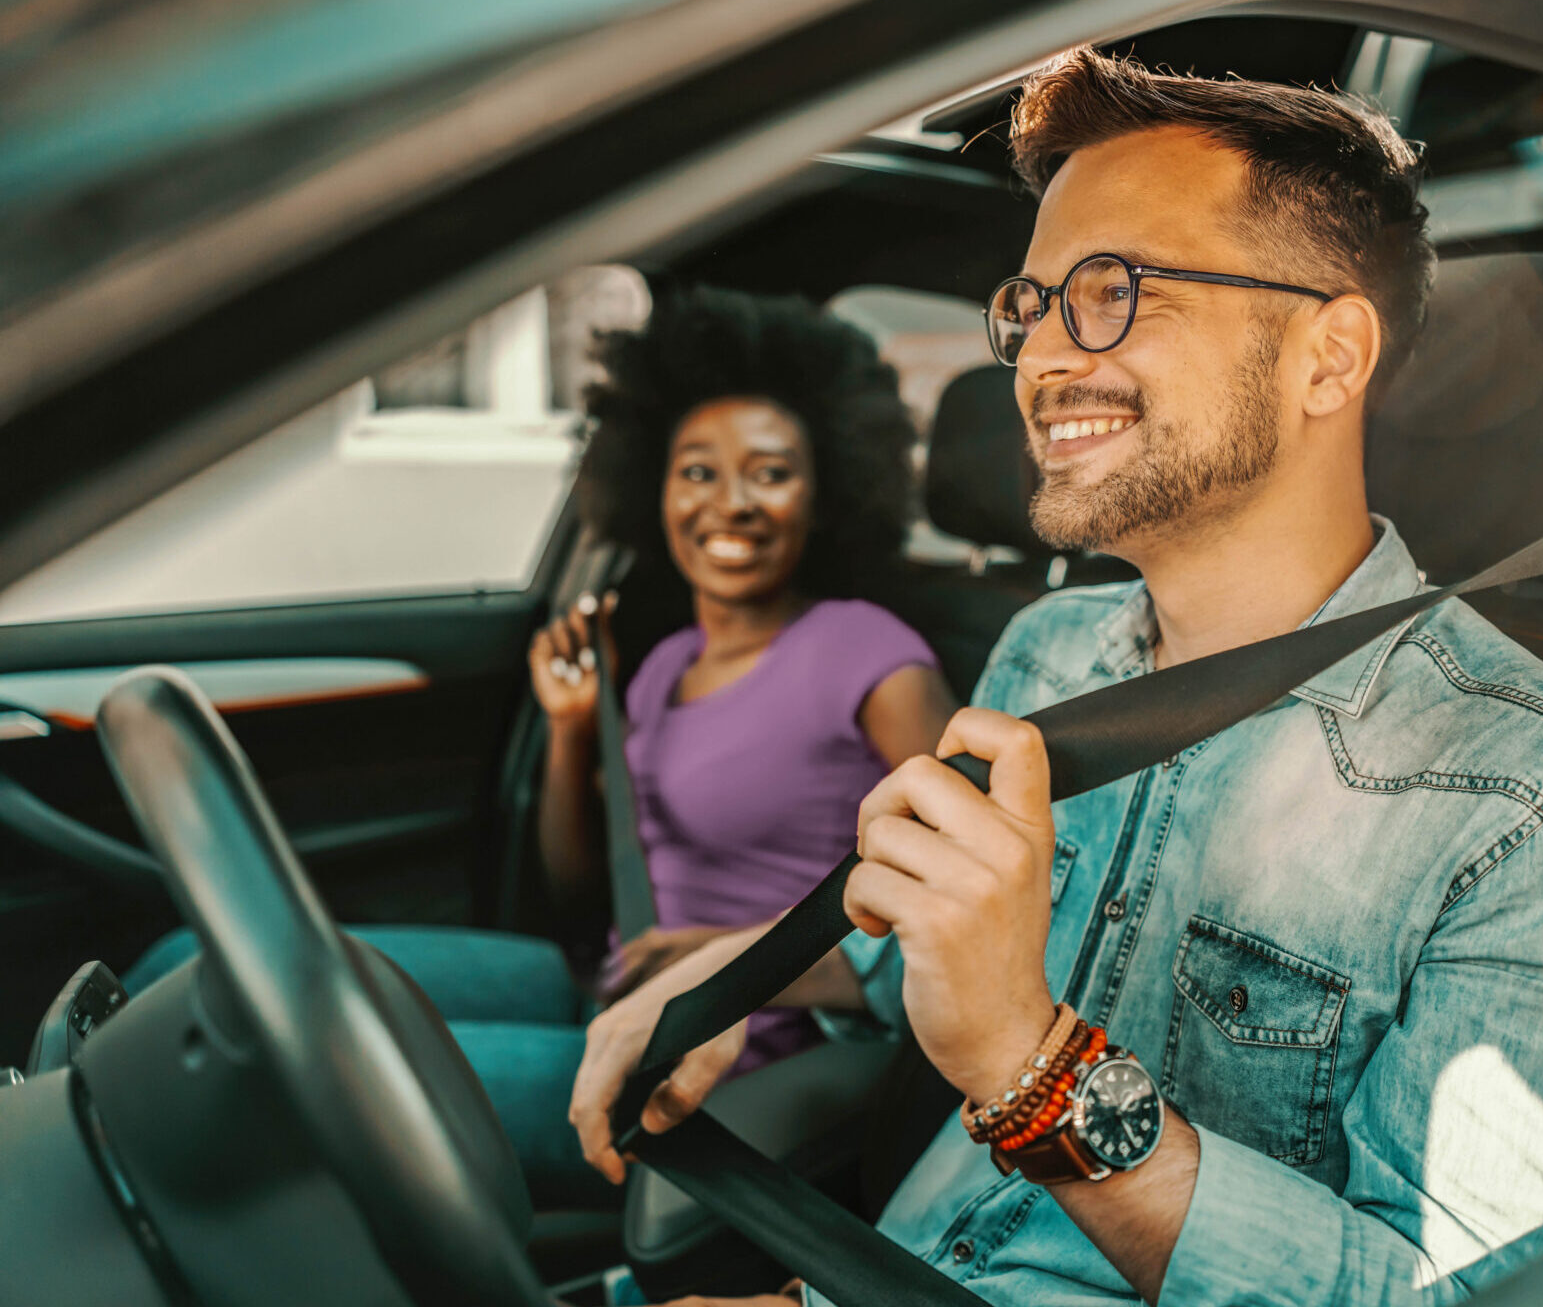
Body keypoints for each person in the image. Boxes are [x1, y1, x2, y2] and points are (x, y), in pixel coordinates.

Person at [570, 48, 1543, 1306]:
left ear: (1330, 357)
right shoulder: (1047, 656)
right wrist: (727, 980)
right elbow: (941, 961)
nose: (1041, 359)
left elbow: (1459, 1296)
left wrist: (1032, 1067)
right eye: (1032, 304)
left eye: (1114, 290)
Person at [125, 286, 956, 1209]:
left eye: (771, 473)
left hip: (727, 1047)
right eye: (697, 472)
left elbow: (956, 903)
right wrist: (570, 730)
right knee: (194, 969)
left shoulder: (871, 655)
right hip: (604, 987)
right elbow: (580, 890)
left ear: (827, 492)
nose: (732, 503)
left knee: (274, 1068)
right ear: (653, 485)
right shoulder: (666, 663)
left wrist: (731, 957)